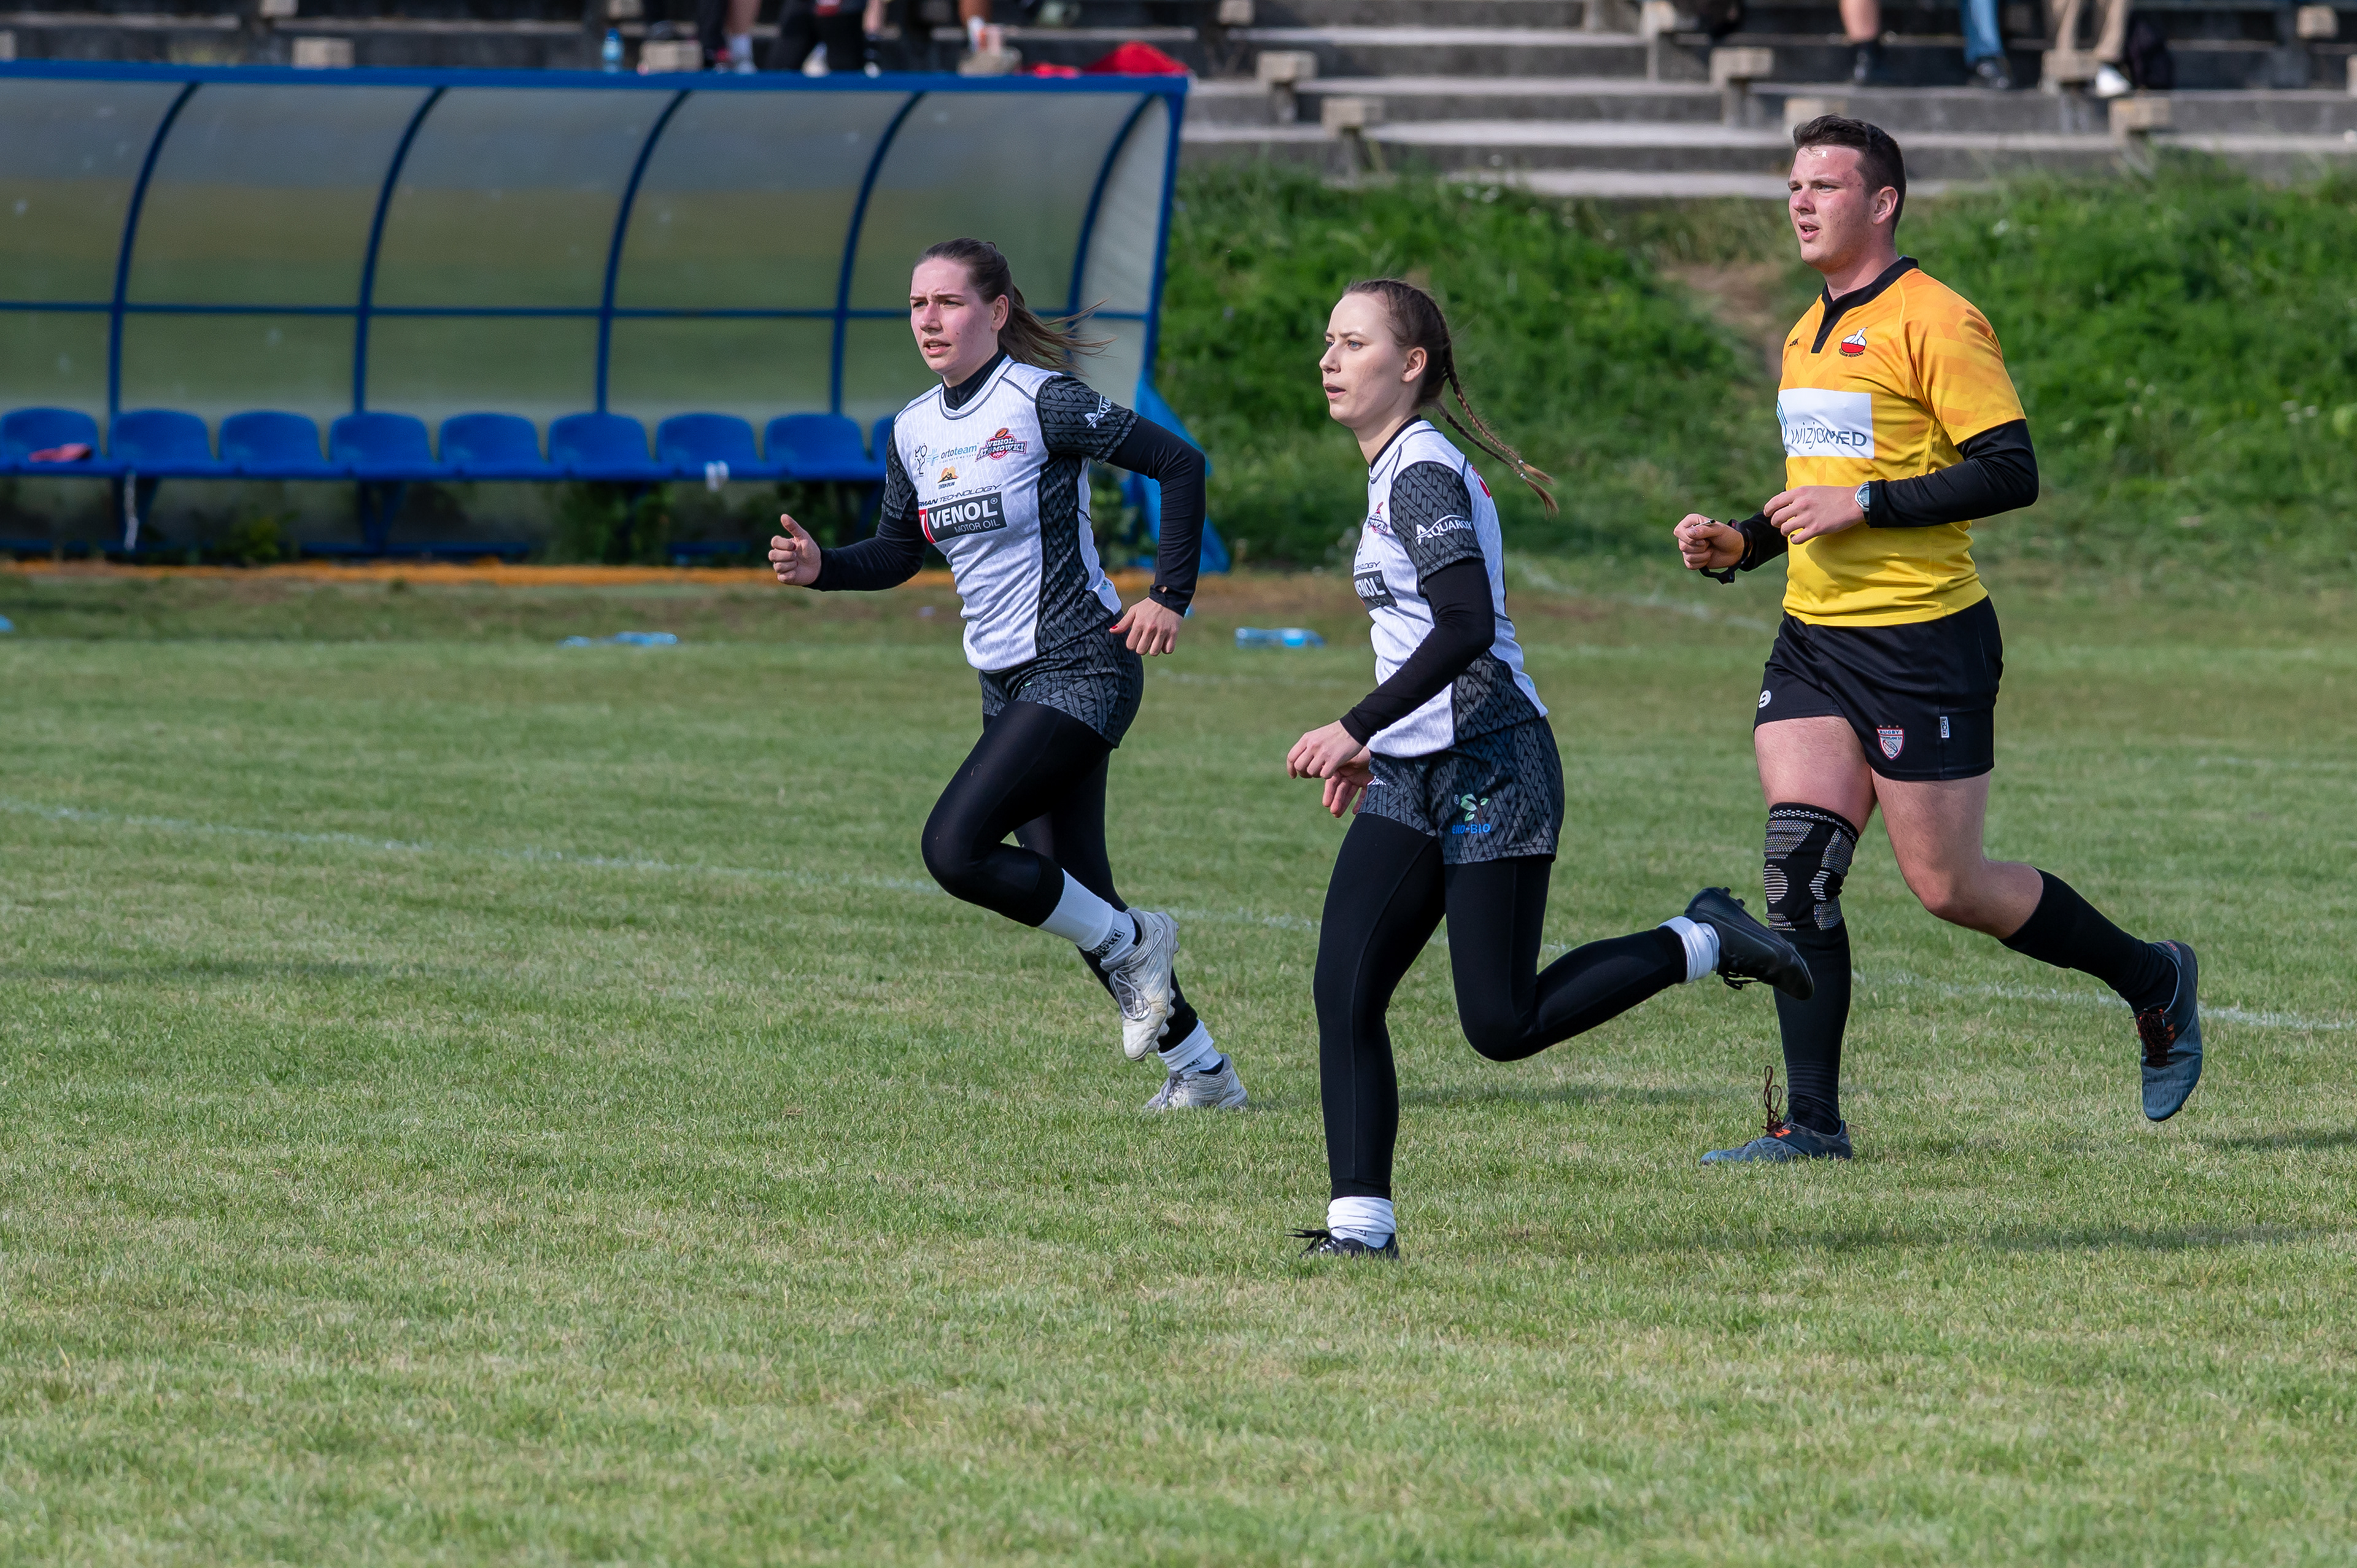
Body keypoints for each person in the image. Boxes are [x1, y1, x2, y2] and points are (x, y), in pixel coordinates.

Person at [1671, 116, 2201, 1163]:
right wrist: (1746, 541)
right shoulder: (1806, 329)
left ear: (1883, 203)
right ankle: (1812, 1126)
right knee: (1797, 869)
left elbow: (2010, 471)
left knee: (1950, 888)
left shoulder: (1939, 318)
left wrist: (1866, 504)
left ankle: (2154, 978)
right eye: (1794, 184)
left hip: (1924, 644)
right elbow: (1821, 488)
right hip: (1814, 641)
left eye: (1826, 185)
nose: (1802, 201)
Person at [1285, 279, 1816, 1260]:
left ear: (1410, 366)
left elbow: (1464, 629)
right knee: (1344, 985)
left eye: (1353, 343)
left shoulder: (1421, 474)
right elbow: (1422, 635)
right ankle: (1361, 1228)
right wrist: (1379, 742)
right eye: (1328, 341)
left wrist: (1355, 722)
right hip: (1413, 769)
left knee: (1502, 1023)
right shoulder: (1396, 467)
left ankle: (1705, 937)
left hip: (1492, 764)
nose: (1329, 359)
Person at [768, 237, 1246, 1112]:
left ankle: (1140, 942)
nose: (929, 320)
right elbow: (898, 552)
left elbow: (1181, 463)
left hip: (1082, 663)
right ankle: (1205, 1072)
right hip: (1004, 682)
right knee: (1078, 897)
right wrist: (823, 567)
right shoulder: (913, 429)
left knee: (954, 850)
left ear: (995, 311)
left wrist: (1169, 596)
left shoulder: (1040, 400)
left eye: (948, 302)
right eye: (917, 305)